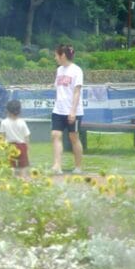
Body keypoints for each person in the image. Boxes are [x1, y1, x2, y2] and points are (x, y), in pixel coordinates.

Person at [50, 44, 84, 175]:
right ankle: (57, 165)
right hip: (58, 109)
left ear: (62, 55)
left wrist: (73, 111)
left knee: (73, 137)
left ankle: (78, 166)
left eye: (56, 55)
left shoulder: (76, 70)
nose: (55, 58)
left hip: (73, 110)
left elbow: (77, 91)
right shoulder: (59, 70)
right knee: (55, 135)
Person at [0, 100, 31, 179]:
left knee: (10, 166)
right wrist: (27, 149)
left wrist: (1, 148)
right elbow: (26, 137)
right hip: (21, 146)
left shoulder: (4, 122)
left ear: (7, 110)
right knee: (23, 166)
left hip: (9, 146)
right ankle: (23, 180)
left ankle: (12, 181)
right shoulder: (22, 122)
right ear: (19, 111)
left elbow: (2, 137)